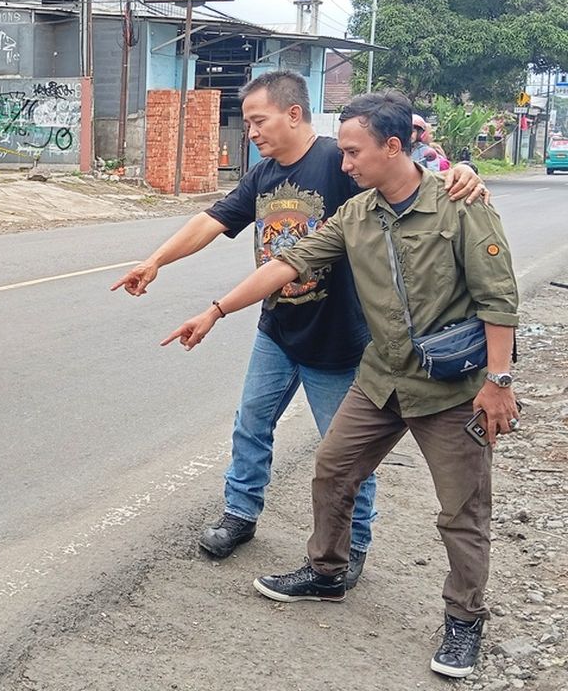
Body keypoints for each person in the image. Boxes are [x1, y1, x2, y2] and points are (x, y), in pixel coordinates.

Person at [164, 90, 519, 679]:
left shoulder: (461, 204)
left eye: (354, 154)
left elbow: (497, 298)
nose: (345, 165)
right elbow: (288, 264)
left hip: (453, 387)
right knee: (332, 468)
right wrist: (217, 310)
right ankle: (327, 572)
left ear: (393, 146)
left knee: (462, 511)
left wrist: (498, 382)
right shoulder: (358, 213)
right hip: (382, 378)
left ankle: (464, 622)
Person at [111, 70, 485, 587]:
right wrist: (155, 261)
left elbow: (418, 174)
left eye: (258, 120)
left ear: (292, 113)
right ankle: (239, 515)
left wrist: (463, 170)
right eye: (247, 124)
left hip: (339, 338)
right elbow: (211, 220)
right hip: (278, 329)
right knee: (251, 424)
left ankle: (351, 546)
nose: (252, 132)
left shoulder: (341, 158)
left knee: (346, 452)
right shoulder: (264, 175)